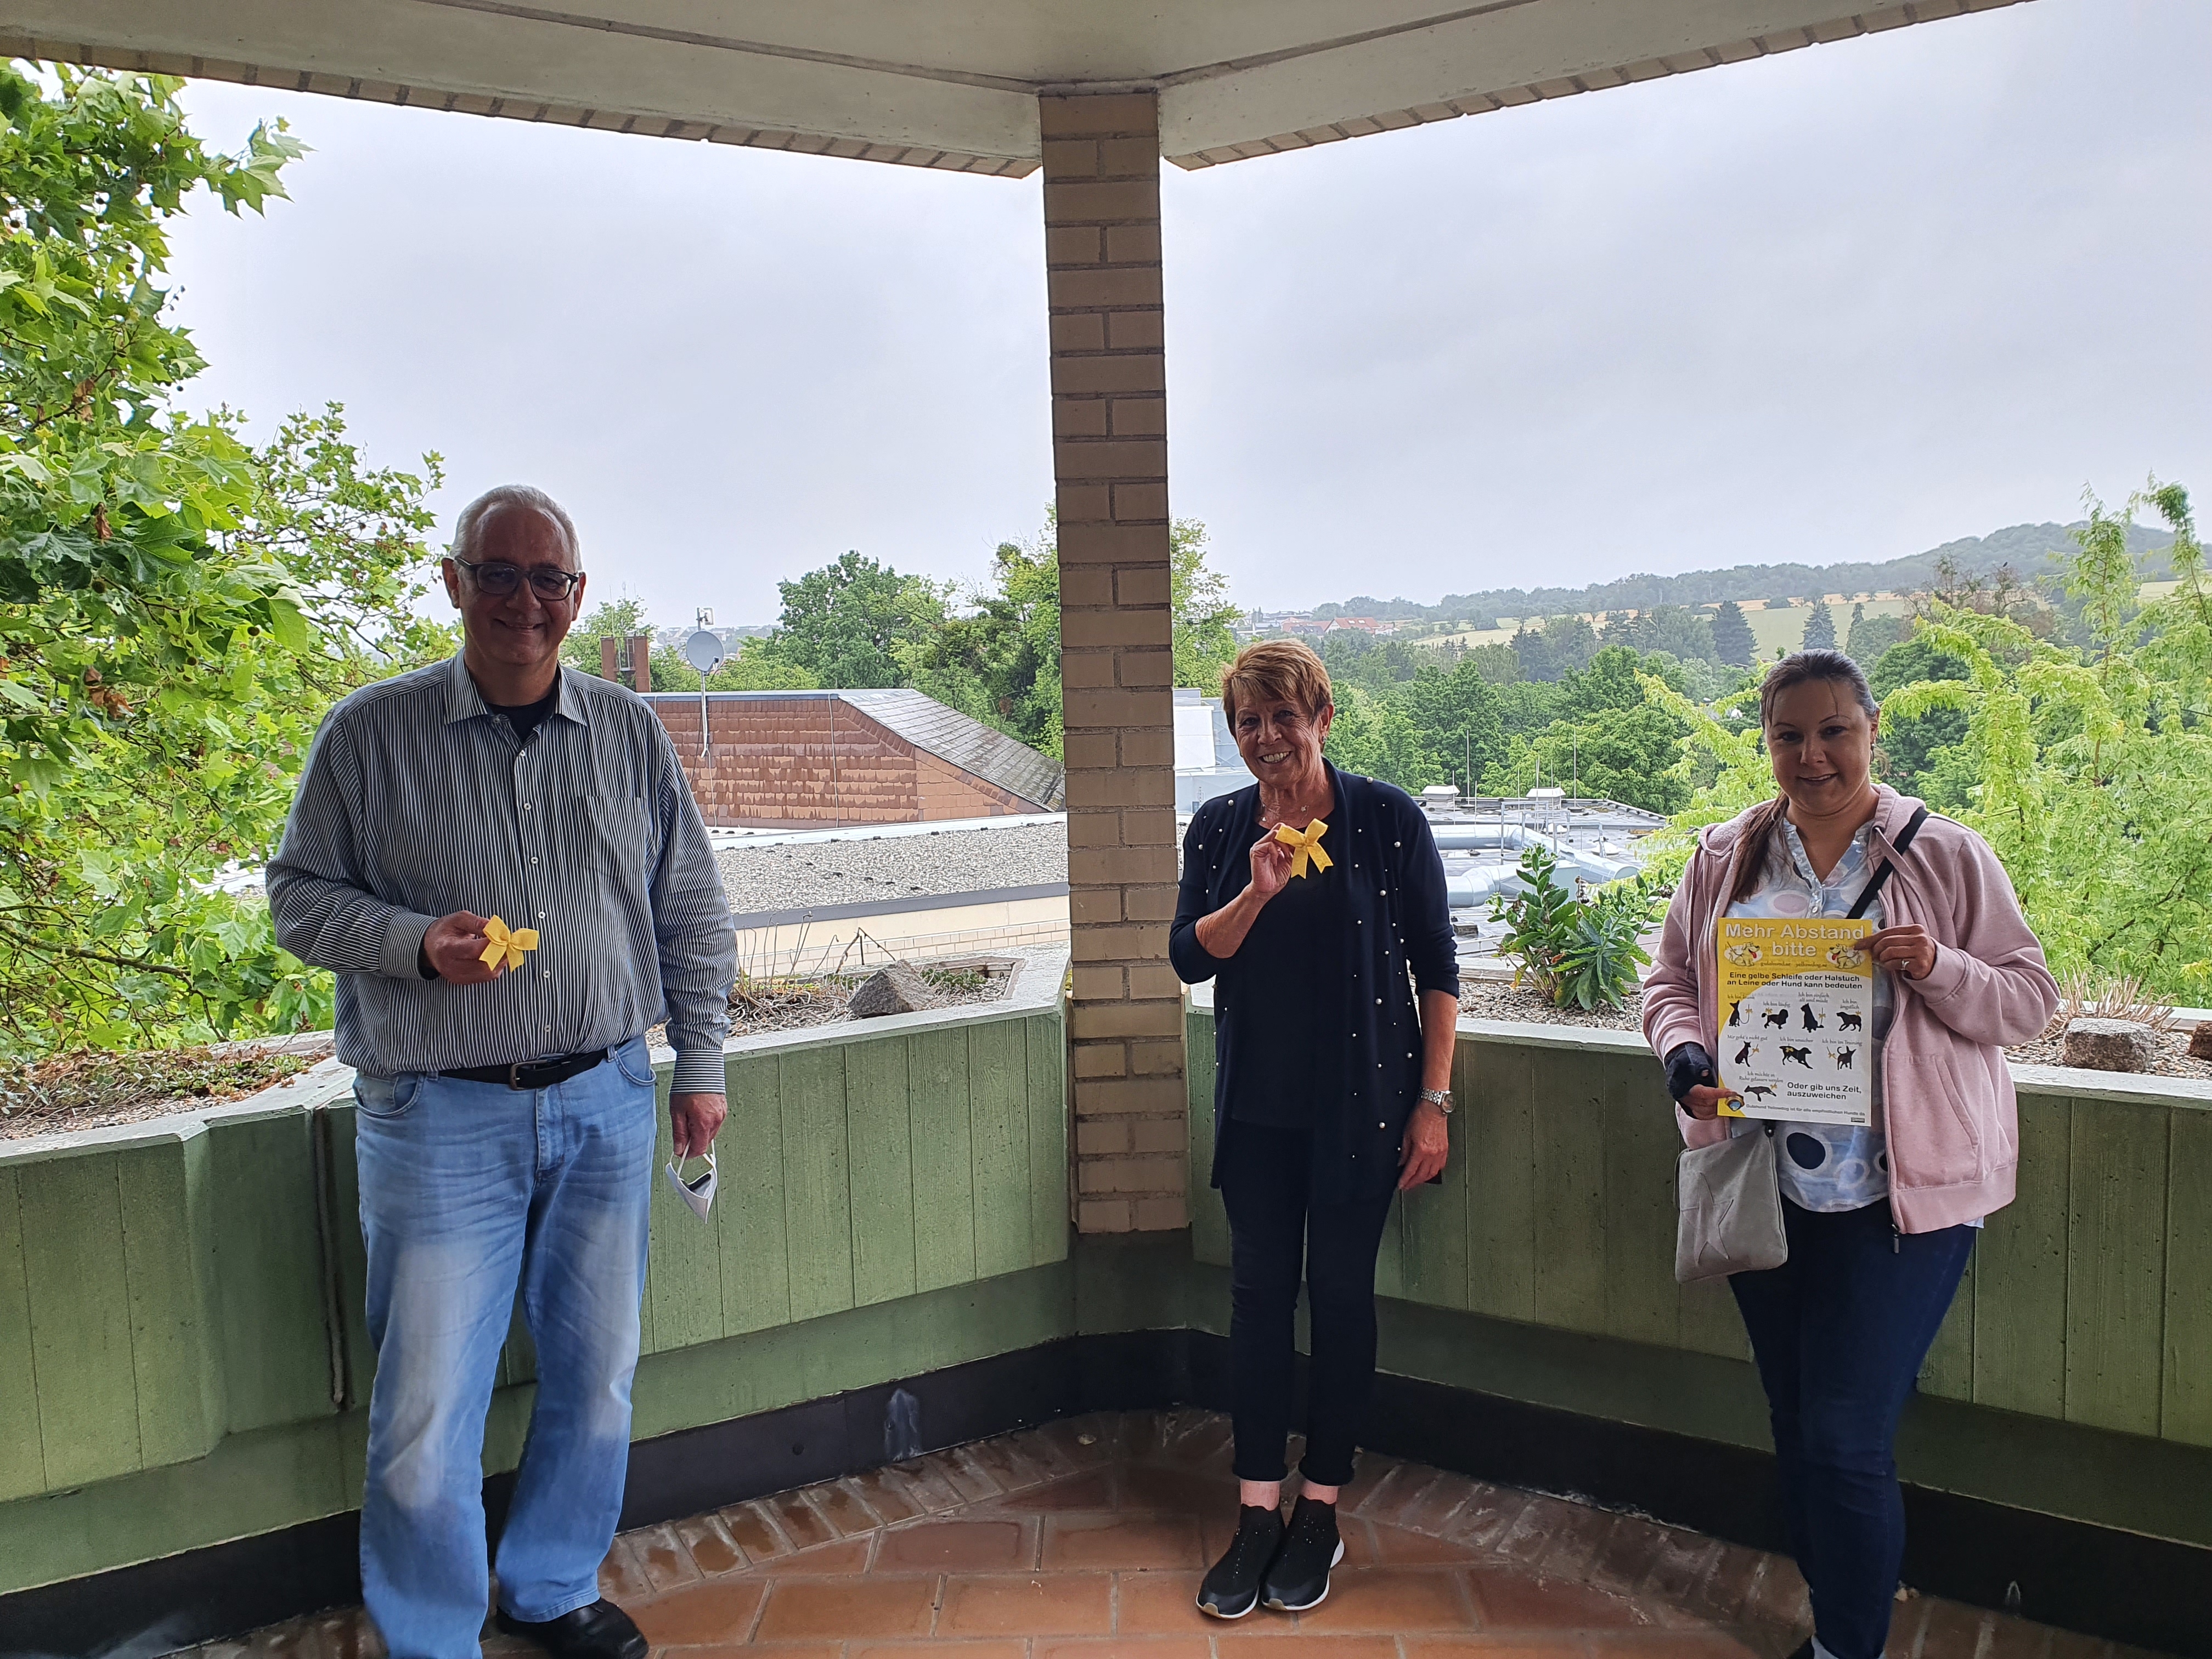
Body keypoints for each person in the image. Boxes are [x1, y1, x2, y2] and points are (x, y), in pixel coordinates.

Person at [267, 485, 737, 1659]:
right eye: (498, 573)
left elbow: (689, 903)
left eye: (548, 579)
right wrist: (415, 943)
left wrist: (701, 1060)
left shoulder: (628, 732)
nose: (524, 601)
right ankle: (432, 1635)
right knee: (428, 1401)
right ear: (454, 581)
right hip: (438, 1115)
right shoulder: (369, 734)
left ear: (578, 596)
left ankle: (553, 1585)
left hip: (606, 1098)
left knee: (598, 1375)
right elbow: (296, 899)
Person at [1642, 649, 2057, 1659]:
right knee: (1796, 1423)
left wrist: (1941, 966)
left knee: (1844, 1435)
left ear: (1873, 734)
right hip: (1765, 1185)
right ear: (1767, 742)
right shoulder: (1725, 857)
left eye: (1835, 732)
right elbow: (1668, 985)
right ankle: (1839, 1621)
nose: (1813, 755)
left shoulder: (1946, 854)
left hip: (1901, 1199)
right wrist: (1685, 1055)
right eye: (1789, 735)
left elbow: (2030, 1001)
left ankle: (1847, 1647)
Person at [1170, 640, 1460, 1619]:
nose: (1266, 738)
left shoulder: (1385, 818)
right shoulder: (1220, 828)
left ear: (1324, 719)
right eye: (1248, 722)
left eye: (1284, 717)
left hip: (1362, 1111)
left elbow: (1438, 968)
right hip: (1257, 1113)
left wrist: (1433, 1102)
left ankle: (1321, 1508)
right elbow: (1189, 958)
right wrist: (1255, 891)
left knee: (1340, 1299)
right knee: (1257, 1301)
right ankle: (1257, 1511)